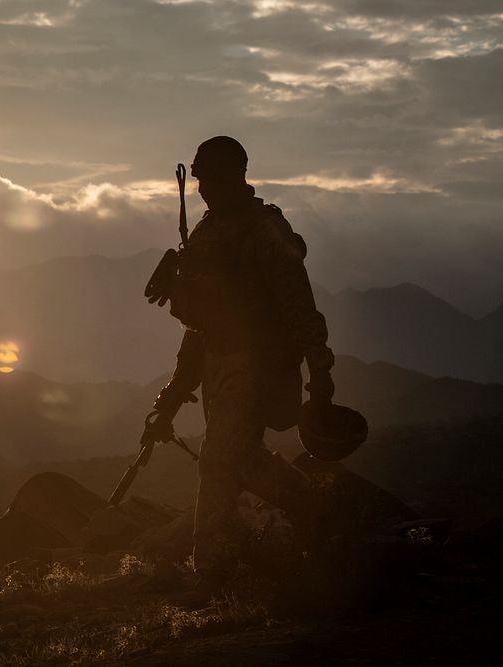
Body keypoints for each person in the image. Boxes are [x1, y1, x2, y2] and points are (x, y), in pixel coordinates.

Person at [150, 136, 336, 584]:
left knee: (216, 464)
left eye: (208, 178)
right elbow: (201, 327)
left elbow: (299, 305)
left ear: (235, 176)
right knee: (245, 461)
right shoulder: (210, 230)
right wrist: (172, 396)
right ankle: (322, 515)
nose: (201, 188)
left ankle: (214, 574)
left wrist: (320, 374)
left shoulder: (262, 231)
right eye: (198, 179)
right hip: (220, 361)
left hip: (254, 364)